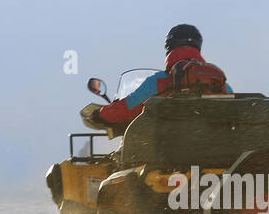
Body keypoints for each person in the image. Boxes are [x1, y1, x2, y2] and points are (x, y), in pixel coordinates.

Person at [81, 24, 231, 134]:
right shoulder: (221, 85)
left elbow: (127, 108)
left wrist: (99, 114)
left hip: (166, 156)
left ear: (169, 47)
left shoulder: (160, 81)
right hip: (221, 161)